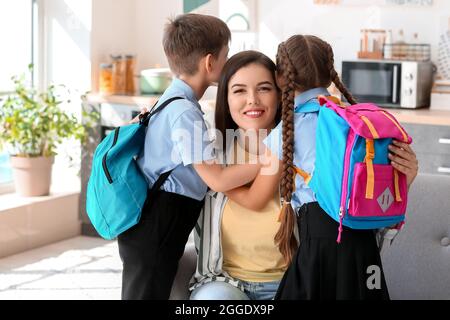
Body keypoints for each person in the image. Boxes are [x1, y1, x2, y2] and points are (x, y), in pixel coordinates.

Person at [221, 35, 419, 300]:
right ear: (329, 74)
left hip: (321, 243)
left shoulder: (289, 129)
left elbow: (256, 197)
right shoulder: (356, 122)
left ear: (281, 78)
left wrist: (221, 187)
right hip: (365, 247)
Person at [117, 14, 263, 300]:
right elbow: (217, 179)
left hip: (154, 220)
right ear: (210, 63)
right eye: (226, 56)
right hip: (158, 221)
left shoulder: (173, 99)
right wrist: (268, 159)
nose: (228, 62)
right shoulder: (184, 112)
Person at [189, 51, 287, 300]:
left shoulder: (303, 151)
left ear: (279, 94)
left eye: (264, 88)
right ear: (226, 98)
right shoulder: (211, 154)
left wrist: (401, 181)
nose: (252, 100)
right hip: (224, 282)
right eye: (240, 90)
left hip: (291, 282)